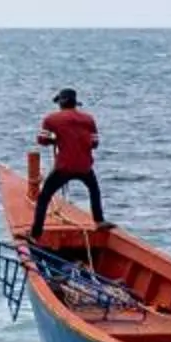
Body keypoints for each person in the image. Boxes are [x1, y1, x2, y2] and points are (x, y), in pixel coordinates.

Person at [30, 88, 104, 238]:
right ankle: (99, 220)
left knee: (44, 197)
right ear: (75, 103)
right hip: (85, 166)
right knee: (94, 191)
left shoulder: (51, 119)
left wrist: (56, 140)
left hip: (64, 166)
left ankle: (35, 233)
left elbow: (42, 140)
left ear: (61, 103)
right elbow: (95, 143)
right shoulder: (89, 119)